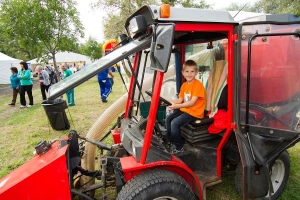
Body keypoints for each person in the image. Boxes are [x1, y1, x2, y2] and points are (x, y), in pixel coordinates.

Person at [165, 60, 206, 153]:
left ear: (196, 72)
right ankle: (171, 142)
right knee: (168, 119)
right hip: (186, 109)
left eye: (192, 71)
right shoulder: (184, 85)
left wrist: (176, 106)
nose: (189, 74)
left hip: (195, 112)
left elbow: (191, 103)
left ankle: (179, 148)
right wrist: (167, 101)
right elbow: (180, 100)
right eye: (187, 71)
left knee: (174, 123)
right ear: (182, 73)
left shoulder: (198, 85)